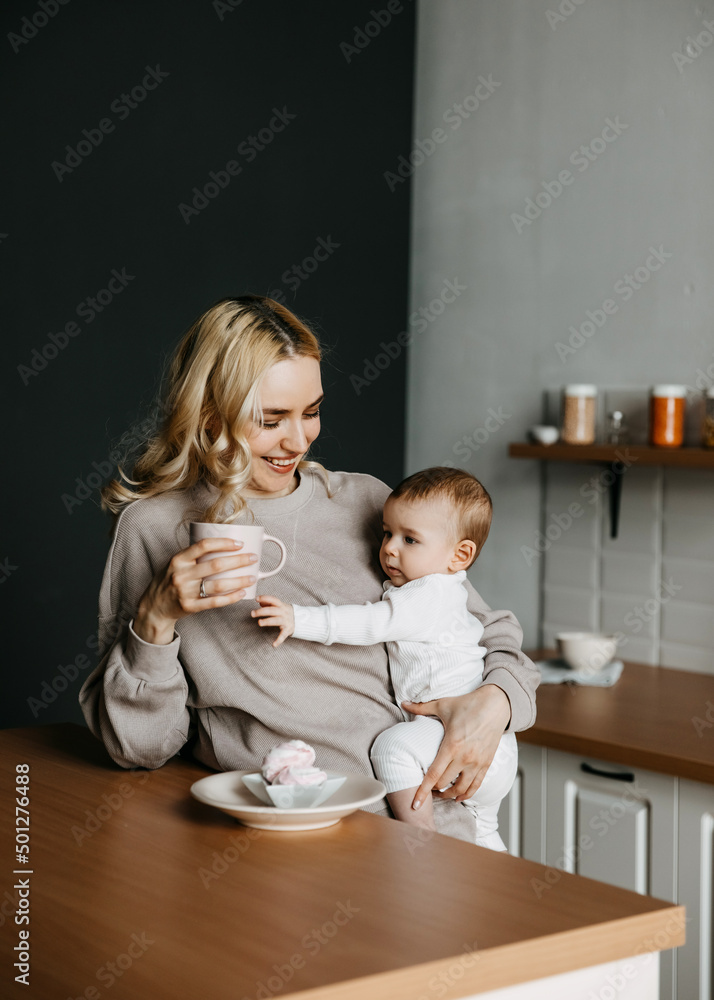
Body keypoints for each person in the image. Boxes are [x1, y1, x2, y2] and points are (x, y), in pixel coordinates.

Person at [79, 294, 539, 845]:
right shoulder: (152, 529)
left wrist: (497, 702)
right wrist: (155, 619)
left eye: (312, 412)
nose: (298, 441)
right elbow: (139, 748)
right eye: (271, 420)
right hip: (284, 836)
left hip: (429, 822)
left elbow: (484, 630)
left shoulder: (370, 504)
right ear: (208, 416)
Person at [252, 467, 517, 850]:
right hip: (490, 751)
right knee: (485, 835)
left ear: (460, 555)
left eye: (410, 540)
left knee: (392, 749)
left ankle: (420, 843)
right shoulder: (435, 587)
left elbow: (371, 623)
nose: (390, 548)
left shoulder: (428, 593)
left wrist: (299, 618)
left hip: (461, 739)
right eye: (387, 533)